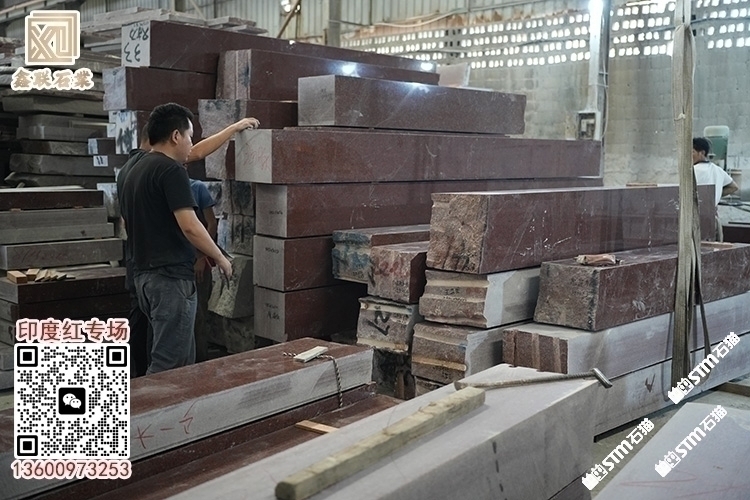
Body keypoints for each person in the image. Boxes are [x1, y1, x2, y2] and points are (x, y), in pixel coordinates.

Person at [118, 115, 259, 375]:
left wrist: (233, 128)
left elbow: (126, 224)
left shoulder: (131, 171)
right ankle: (152, 402)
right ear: (174, 136)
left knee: (169, 356)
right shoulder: (169, 170)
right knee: (169, 364)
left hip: (143, 276)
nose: (191, 146)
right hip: (170, 279)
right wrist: (220, 257)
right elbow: (191, 226)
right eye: (189, 137)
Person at [692, 137, 738, 206]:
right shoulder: (718, 170)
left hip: (695, 209)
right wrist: (715, 195)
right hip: (711, 209)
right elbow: (734, 187)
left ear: (702, 153)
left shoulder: (693, 170)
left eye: (692, 152)